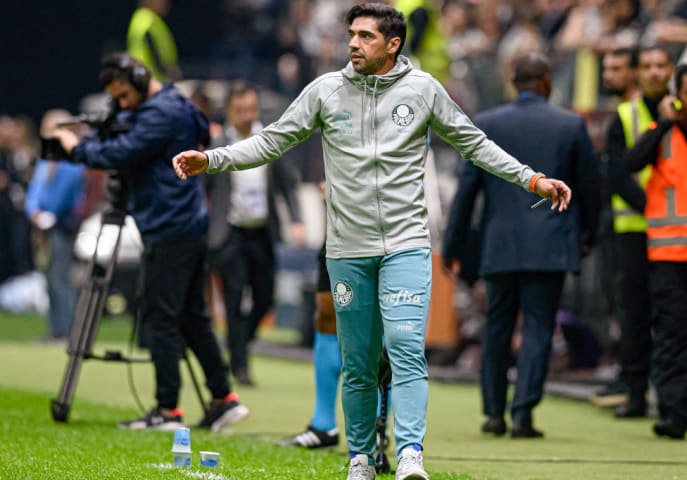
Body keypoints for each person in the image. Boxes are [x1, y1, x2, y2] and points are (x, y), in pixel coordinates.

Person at [173, 4, 570, 479]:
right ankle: (360, 458)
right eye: (352, 35)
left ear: (393, 44)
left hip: (405, 243)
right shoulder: (326, 91)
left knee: (405, 345)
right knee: (358, 362)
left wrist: (531, 179)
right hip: (347, 250)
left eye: (365, 36)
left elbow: (473, 142)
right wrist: (211, 159)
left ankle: (409, 456)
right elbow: (271, 140)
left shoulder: (423, 90)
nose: (354, 44)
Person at [52, 52, 248, 432]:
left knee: (161, 317)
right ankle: (224, 398)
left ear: (140, 82)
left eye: (124, 96)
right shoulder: (176, 103)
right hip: (186, 224)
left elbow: (120, 153)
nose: (121, 105)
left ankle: (167, 409)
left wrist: (74, 147)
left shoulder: (160, 113)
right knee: (191, 316)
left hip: (169, 227)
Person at [442, 51, 601, 439]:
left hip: (500, 245)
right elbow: (590, 190)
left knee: (496, 327)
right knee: (538, 328)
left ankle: (494, 413)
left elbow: (467, 192)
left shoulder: (488, 123)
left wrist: (453, 246)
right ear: (547, 81)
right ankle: (523, 414)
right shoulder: (570, 125)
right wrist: (586, 238)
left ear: (514, 82)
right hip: (550, 246)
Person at [625, 63, 687, 440]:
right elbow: (631, 163)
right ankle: (673, 413)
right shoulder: (661, 133)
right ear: (676, 94)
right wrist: (662, 122)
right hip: (668, 255)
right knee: (671, 335)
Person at [592, 46, 674, 417]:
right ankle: (637, 393)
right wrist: (654, 210)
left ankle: (679, 397)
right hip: (636, 230)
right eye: (648, 66)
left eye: (661, 66)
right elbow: (618, 176)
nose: (656, 73)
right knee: (635, 315)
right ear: (638, 74)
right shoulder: (626, 117)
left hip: (679, 233)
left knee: (675, 317)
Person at [205, 85, 306, 386]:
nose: (247, 116)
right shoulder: (218, 143)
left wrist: (296, 219)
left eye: (252, 109)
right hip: (229, 233)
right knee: (234, 299)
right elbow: (204, 190)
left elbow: (288, 184)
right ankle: (240, 366)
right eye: (241, 110)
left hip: (262, 231)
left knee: (264, 297)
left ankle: (238, 343)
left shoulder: (271, 139)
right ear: (230, 111)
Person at [25, 109, 86, 341]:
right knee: (49, 279)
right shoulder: (46, 159)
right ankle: (55, 330)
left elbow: (64, 195)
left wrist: (49, 215)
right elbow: (36, 191)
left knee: (61, 278)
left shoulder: (72, 162)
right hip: (42, 226)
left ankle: (68, 331)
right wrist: (35, 213)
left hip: (62, 226)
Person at [278, 238, 342, 448]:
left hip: (385, 234)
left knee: (374, 323)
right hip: (340, 231)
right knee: (325, 316)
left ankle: (376, 428)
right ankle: (323, 427)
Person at [127, 0, 181, 82]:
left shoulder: (150, 18)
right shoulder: (146, 19)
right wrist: (166, 72)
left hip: (149, 79)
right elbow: (152, 48)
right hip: (151, 79)